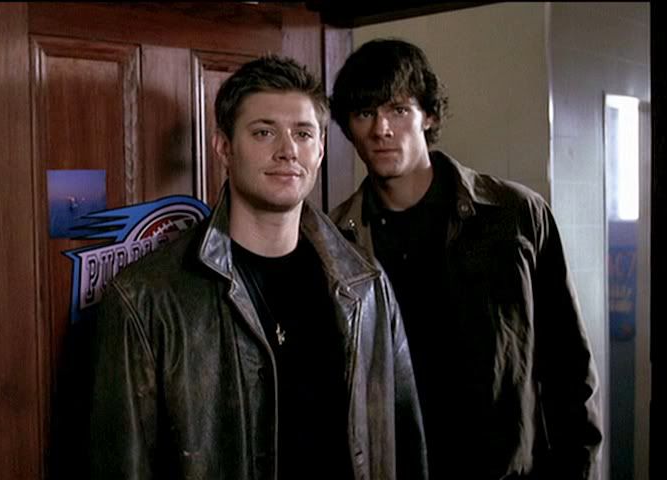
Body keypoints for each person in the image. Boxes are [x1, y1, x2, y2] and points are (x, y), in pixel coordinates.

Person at [89, 55, 427, 480]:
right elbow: (122, 463)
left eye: (303, 134)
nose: (287, 151)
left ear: (321, 149)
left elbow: (404, 441)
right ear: (224, 148)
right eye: (264, 132)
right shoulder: (147, 296)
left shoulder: (364, 283)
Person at [330, 38, 603, 479]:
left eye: (398, 110)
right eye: (365, 113)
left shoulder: (514, 215)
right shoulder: (336, 241)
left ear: (428, 115)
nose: (381, 129)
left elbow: (569, 366)